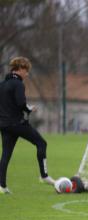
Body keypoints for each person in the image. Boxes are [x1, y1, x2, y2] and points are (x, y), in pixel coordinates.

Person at [0, 57, 55, 194]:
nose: (27, 74)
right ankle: (44, 176)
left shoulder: (2, 84)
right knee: (41, 143)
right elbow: (20, 103)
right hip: (17, 123)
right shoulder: (18, 84)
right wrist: (30, 108)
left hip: (4, 124)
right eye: (26, 71)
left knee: (6, 154)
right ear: (20, 69)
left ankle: (2, 186)